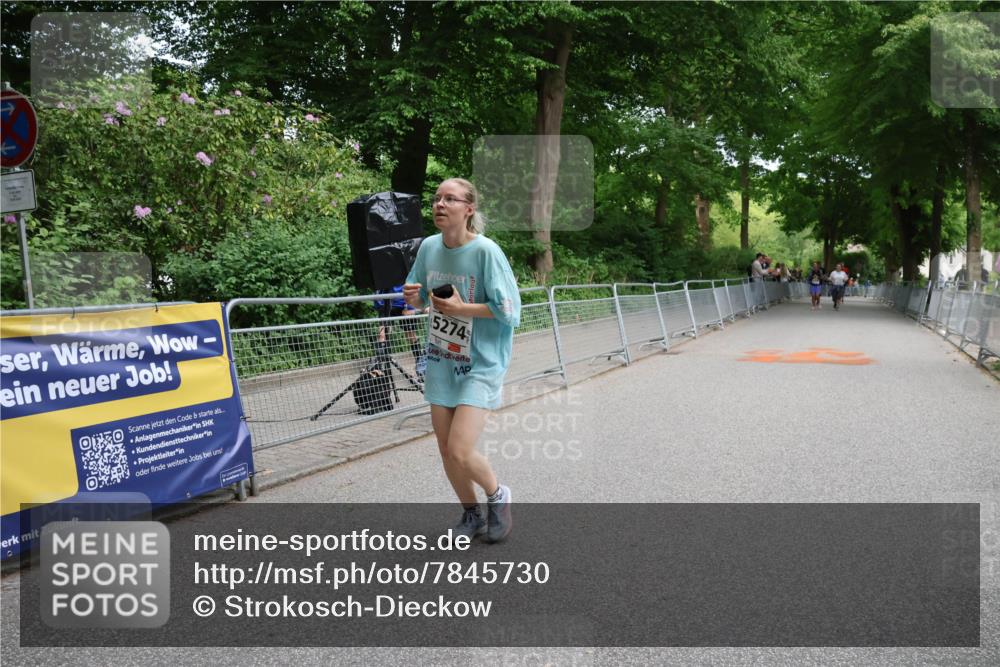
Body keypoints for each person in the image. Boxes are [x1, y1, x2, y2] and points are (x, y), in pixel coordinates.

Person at [403, 178, 521, 543]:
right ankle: (472, 514)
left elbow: (510, 311)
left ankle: (498, 495)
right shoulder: (428, 248)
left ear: (468, 209)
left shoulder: (486, 252)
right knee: (445, 450)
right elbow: (420, 298)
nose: (439, 204)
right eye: (436, 198)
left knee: (460, 448)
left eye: (449, 199)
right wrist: (414, 299)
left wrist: (461, 308)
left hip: (481, 362)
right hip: (441, 358)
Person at [373, 285, 427, 380]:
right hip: (386, 303)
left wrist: (411, 308)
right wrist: (379, 303)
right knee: (382, 334)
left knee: (411, 335)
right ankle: (379, 370)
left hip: (404, 303)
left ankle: (421, 369)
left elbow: (411, 284)